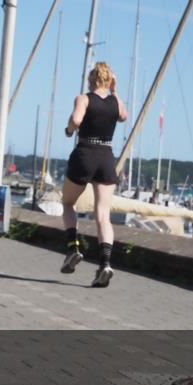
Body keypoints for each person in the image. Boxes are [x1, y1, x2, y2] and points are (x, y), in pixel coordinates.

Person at [60, 62, 128, 288]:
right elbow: (123, 116)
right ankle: (105, 264)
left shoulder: (84, 99)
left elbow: (76, 120)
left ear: (90, 79)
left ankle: (73, 249)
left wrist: (69, 130)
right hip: (106, 157)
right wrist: (114, 91)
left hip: (85, 153)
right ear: (109, 80)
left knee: (68, 203)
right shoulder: (115, 102)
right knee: (103, 216)